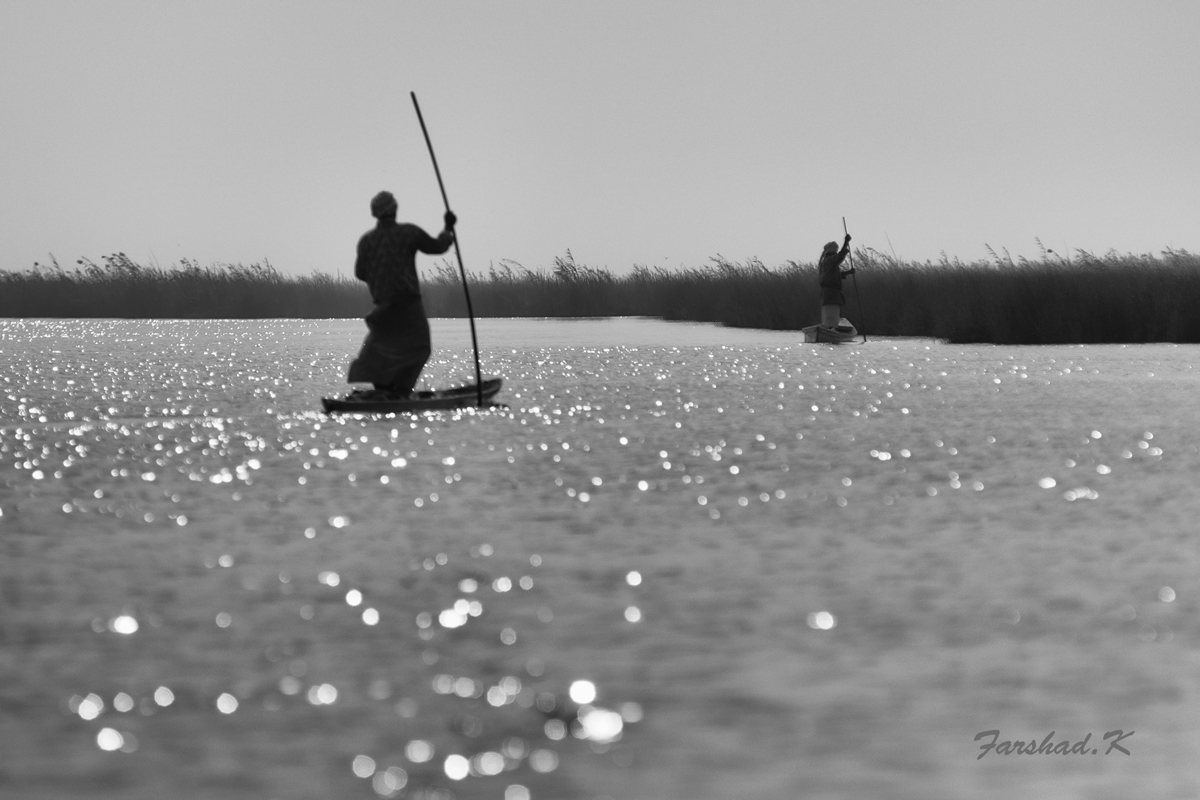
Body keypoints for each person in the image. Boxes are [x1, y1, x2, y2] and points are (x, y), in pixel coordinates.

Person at [348, 190, 457, 397]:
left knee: (382, 348)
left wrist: (380, 277)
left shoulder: (366, 241)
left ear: (375, 213)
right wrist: (448, 228)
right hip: (408, 304)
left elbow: (360, 273)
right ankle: (400, 390)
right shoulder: (408, 232)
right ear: (395, 210)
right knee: (419, 348)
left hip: (382, 306)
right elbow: (437, 246)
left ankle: (384, 389)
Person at [818, 233, 855, 328]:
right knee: (832, 320)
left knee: (828, 319)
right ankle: (831, 331)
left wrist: (848, 272)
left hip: (827, 295)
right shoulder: (830, 260)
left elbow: (832, 276)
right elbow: (839, 257)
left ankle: (828, 330)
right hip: (831, 295)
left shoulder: (825, 262)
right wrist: (846, 242)